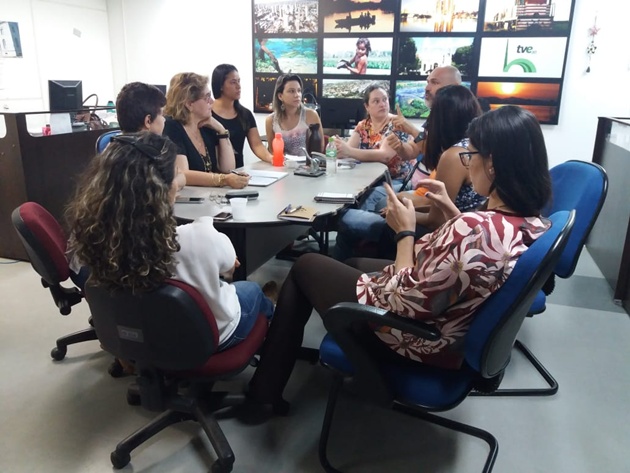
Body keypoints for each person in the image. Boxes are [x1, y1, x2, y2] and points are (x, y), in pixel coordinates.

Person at [246, 105, 552, 409]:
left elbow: (402, 299)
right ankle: (279, 362)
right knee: (350, 265)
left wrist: (404, 233)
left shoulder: (475, 229)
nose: (467, 163)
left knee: (305, 266)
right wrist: (450, 209)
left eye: (470, 155)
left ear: (493, 164)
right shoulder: (529, 223)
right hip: (452, 323)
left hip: (420, 338)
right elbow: (472, 253)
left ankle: (263, 395)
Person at [66, 131, 275, 352]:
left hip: (140, 335)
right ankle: (271, 326)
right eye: (176, 173)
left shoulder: (90, 237)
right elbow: (229, 267)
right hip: (205, 338)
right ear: (164, 188)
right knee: (251, 290)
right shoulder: (199, 237)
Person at [334, 85, 485, 261]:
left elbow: (435, 221)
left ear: (444, 119)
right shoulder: (473, 145)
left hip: (435, 237)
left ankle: (350, 268)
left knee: (345, 219)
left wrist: (398, 213)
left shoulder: (453, 157)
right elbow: (445, 206)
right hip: (456, 230)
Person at [163, 72, 249, 189]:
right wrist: (223, 180)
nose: (212, 101)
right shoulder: (172, 126)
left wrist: (221, 130)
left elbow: (228, 168)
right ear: (189, 104)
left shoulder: (206, 125)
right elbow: (183, 173)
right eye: (207, 97)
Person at [115, 81, 186, 190]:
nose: (164, 120)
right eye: (162, 115)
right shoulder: (151, 154)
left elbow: (181, 176)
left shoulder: (112, 150)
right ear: (148, 121)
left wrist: (171, 183)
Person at [211, 64, 273, 167]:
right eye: (233, 82)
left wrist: (271, 158)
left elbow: (257, 145)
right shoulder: (207, 113)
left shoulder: (245, 114)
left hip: (238, 172)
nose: (238, 86)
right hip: (212, 173)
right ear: (220, 86)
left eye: (239, 81)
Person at [265, 74, 323, 156]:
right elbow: (272, 152)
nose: (297, 95)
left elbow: (320, 148)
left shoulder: (311, 115)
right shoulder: (270, 120)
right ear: (280, 96)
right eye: (292, 91)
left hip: (307, 166)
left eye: (299, 91)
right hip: (283, 166)